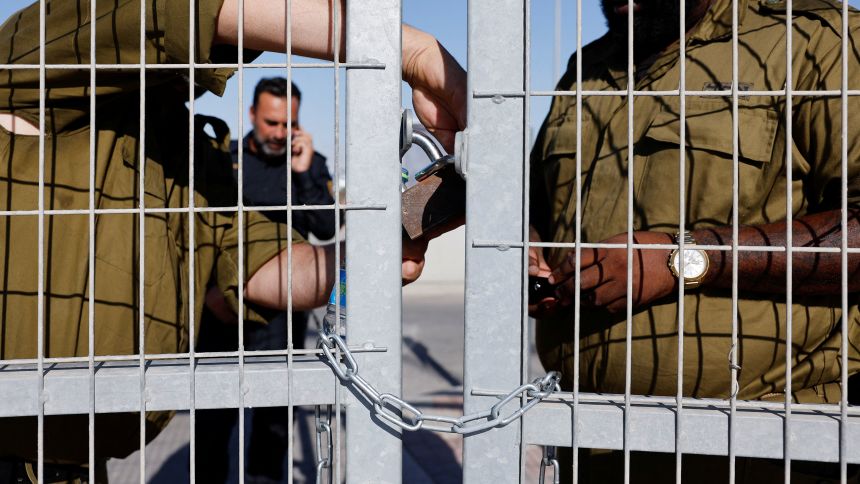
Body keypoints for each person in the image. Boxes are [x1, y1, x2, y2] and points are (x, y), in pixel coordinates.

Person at [0, 0, 465, 481]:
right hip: (203, 335)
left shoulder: (185, 150)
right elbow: (170, 14)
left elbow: (261, 259)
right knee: (214, 429)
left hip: (79, 461)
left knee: (271, 426)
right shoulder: (38, 49)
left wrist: (382, 245)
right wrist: (407, 47)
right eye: (271, 123)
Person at [527, 0, 860, 481]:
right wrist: (530, 249)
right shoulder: (589, 67)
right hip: (594, 437)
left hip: (769, 440)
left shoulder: (818, 37)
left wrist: (686, 259)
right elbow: (537, 204)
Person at [195, 78, 336, 483]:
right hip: (222, 307)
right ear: (253, 114)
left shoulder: (309, 163)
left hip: (281, 315)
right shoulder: (225, 160)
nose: (279, 132)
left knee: (275, 417)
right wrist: (208, 294)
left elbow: (327, 228)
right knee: (212, 418)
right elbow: (203, 228)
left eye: (288, 123)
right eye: (272, 121)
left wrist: (306, 173)